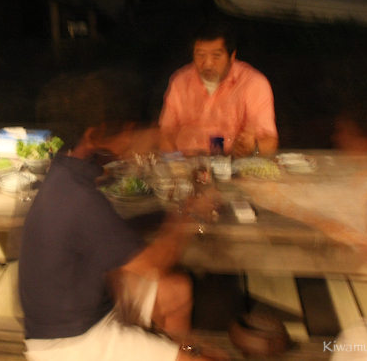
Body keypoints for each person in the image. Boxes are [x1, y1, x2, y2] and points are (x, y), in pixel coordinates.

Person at [18, 123, 225, 361]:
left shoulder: (66, 171)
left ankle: (180, 352)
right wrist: (192, 215)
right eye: (127, 134)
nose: (131, 142)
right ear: (93, 135)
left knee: (175, 290)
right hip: (72, 343)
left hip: (85, 307)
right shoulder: (79, 196)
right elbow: (154, 266)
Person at [159, 22, 277, 157]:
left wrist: (253, 146)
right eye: (200, 55)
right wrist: (173, 161)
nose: (208, 64)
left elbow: (270, 142)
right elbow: (166, 133)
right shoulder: (180, 82)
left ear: (232, 56)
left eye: (216, 56)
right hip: (187, 163)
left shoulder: (253, 84)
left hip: (234, 164)